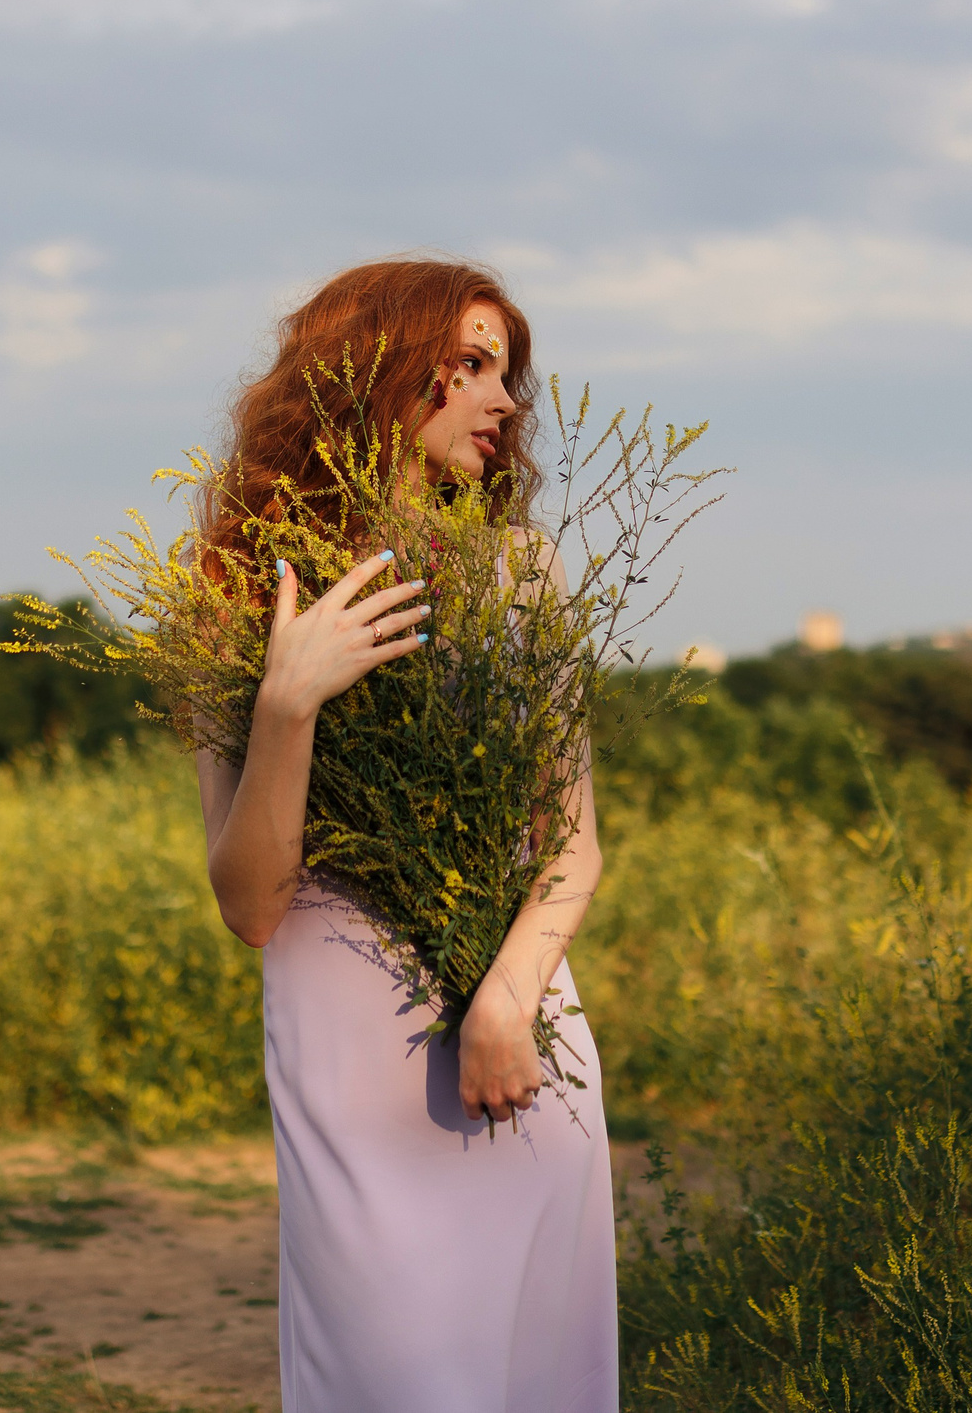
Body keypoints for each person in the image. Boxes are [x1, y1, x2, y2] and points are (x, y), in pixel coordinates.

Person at [192, 259, 618, 1413]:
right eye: (470, 366)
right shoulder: (239, 587)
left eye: (506, 372)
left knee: (538, 1379)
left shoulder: (522, 574)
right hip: (346, 1056)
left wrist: (506, 1004)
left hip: (516, 1044)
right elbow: (250, 906)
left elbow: (572, 844)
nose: (504, 400)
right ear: (373, 372)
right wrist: (289, 702)